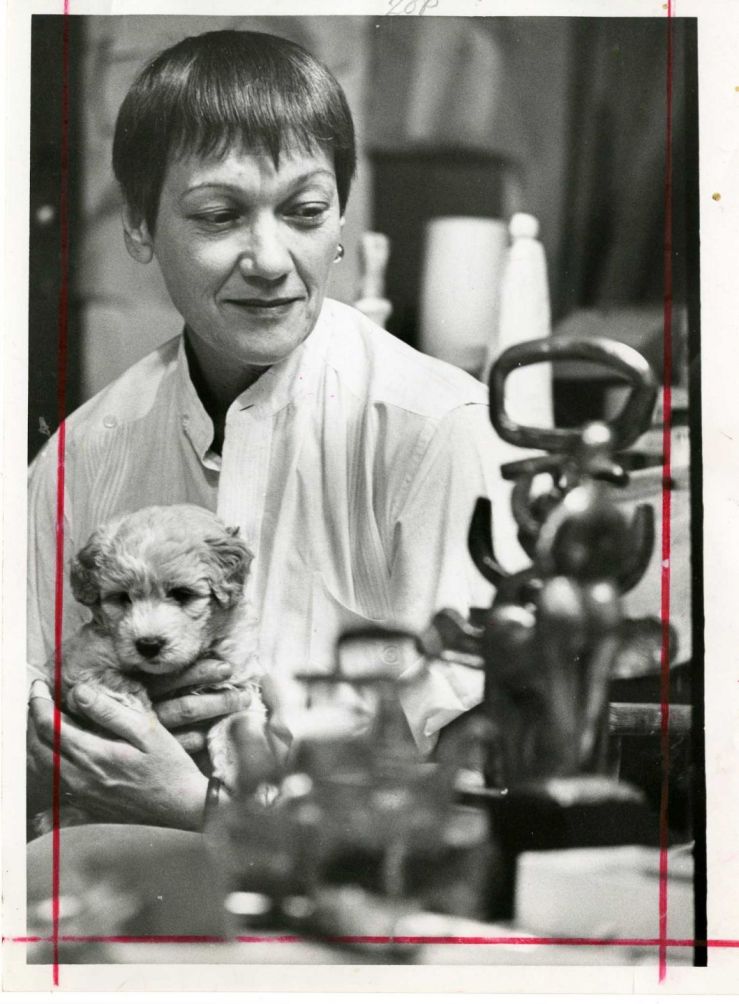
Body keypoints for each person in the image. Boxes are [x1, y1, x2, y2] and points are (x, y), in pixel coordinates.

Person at [27, 29, 505, 832]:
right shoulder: (83, 452)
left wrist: (197, 808)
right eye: (219, 215)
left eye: (305, 211)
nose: (270, 258)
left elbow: (464, 782)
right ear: (140, 228)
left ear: (341, 221)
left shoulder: (430, 429)